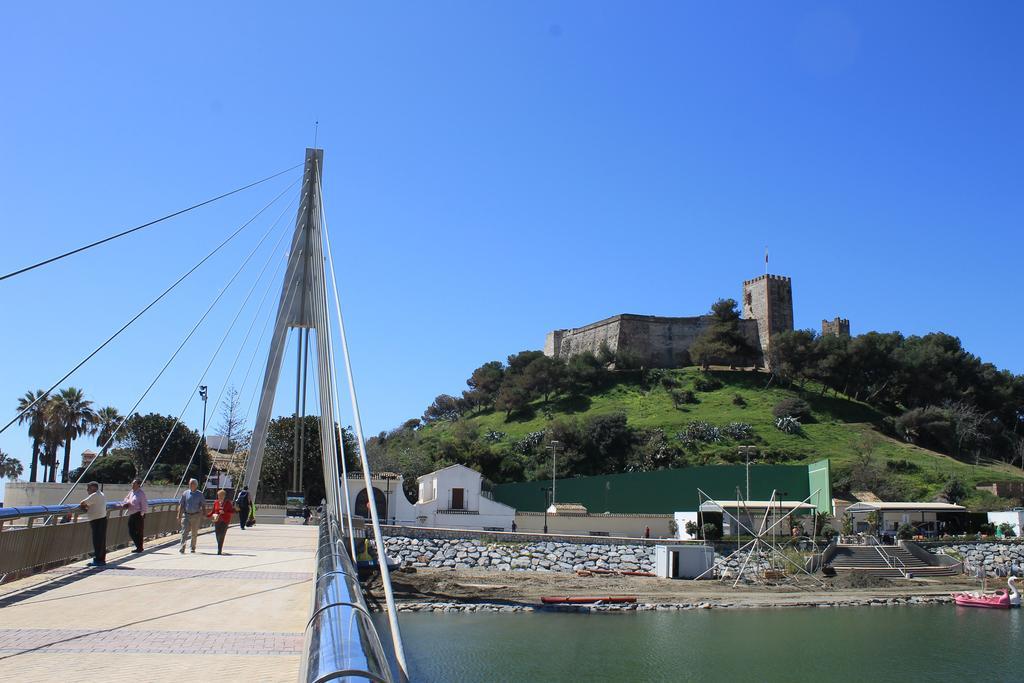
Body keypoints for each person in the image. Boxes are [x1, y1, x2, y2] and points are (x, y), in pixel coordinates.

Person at [78, 482, 109, 567]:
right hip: (102, 519)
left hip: (97, 521)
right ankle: (101, 559)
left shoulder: (95, 495)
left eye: (88, 488)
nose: (87, 490)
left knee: (97, 541)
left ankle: (98, 560)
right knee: (101, 541)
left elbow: (83, 502)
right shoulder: (101, 494)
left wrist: (85, 507)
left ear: (93, 488)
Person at [178, 478, 207, 554]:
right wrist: (179, 515)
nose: (191, 485)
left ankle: (192, 547)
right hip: (186, 515)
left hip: (196, 515)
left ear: (196, 485)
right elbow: (181, 504)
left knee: (194, 533)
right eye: (190, 483)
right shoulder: (185, 493)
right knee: (184, 532)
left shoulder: (200, 494)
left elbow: (203, 505)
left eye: (193, 484)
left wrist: (204, 514)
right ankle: (182, 547)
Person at [121, 478, 148, 553]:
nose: (132, 485)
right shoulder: (131, 492)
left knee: (139, 531)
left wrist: (142, 514)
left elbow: (144, 504)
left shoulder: (141, 493)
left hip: (138, 514)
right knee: (131, 531)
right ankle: (138, 546)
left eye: (134, 483)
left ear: (138, 485)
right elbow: (126, 498)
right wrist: (126, 502)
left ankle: (139, 547)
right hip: (131, 513)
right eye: (132, 483)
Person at [206, 489, 235, 555]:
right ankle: (220, 546)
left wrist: (224, 512)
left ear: (224, 496)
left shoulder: (228, 503)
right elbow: (213, 511)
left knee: (222, 535)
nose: (220, 497)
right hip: (217, 520)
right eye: (219, 495)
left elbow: (232, 511)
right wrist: (207, 515)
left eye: (221, 495)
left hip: (225, 521)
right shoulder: (216, 502)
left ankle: (219, 550)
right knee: (217, 535)